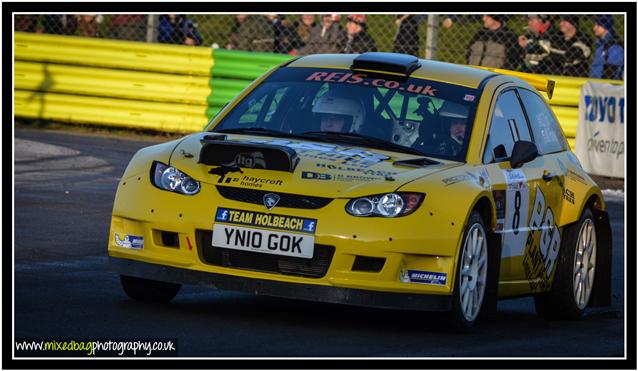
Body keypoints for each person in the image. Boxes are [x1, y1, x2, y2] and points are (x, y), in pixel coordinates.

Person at [590, 15, 624, 80]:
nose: (594, 28)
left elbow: (612, 74)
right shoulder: (601, 45)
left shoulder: (615, 47)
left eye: (598, 25)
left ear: (605, 26)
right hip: (595, 85)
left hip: (605, 87)